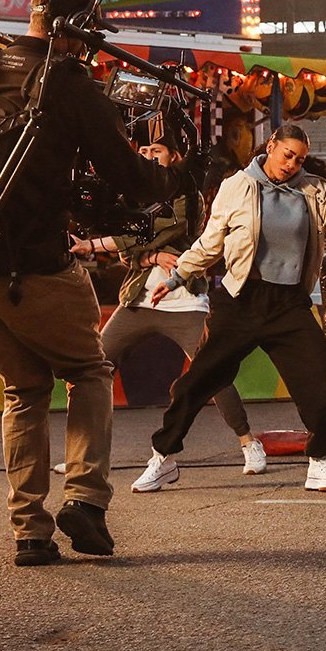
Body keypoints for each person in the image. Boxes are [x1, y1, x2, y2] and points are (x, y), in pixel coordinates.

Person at [0, 0, 180, 567]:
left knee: (23, 388)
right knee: (90, 371)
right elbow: (131, 177)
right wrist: (175, 177)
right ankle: (86, 500)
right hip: (32, 269)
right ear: (83, 28)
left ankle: (30, 531)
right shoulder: (68, 84)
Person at [132, 125, 326, 493]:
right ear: (272, 146)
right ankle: (162, 457)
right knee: (199, 381)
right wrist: (178, 276)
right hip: (240, 300)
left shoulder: (313, 188)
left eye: (300, 159)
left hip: (289, 304)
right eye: (287, 154)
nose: (292, 164)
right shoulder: (237, 185)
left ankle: (319, 461)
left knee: (322, 380)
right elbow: (211, 242)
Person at [67, 139, 266, 484]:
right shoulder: (133, 197)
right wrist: (150, 257)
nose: (146, 157)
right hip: (138, 301)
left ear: (174, 156)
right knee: (90, 370)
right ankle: (83, 454)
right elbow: (129, 252)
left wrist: (95, 245)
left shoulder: (188, 195)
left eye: (155, 151)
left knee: (211, 375)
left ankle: (249, 443)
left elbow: (156, 230)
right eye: (142, 152)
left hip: (184, 301)